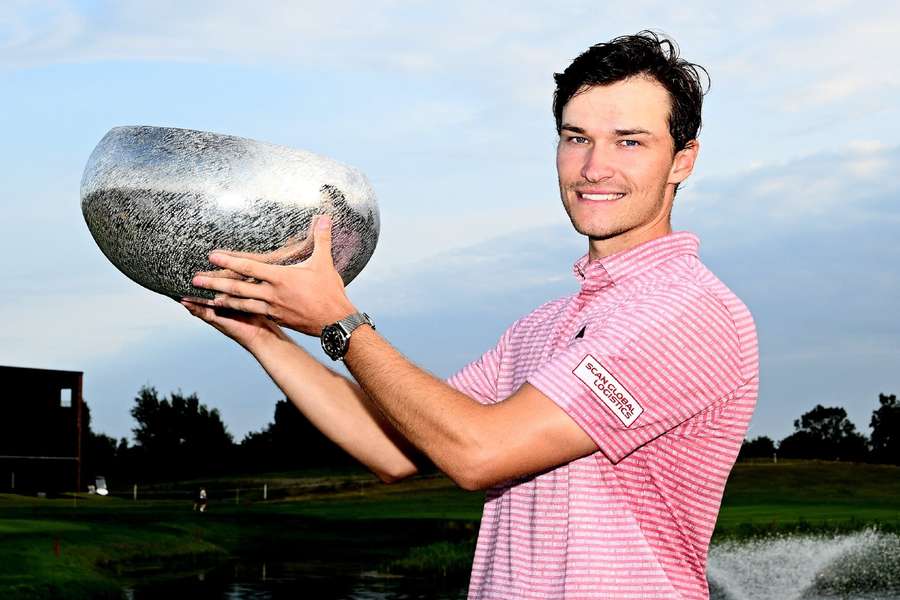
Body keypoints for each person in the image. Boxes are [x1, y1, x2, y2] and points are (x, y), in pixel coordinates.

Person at [182, 30, 758, 600]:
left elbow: (480, 454)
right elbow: (394, 449)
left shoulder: (688, 314)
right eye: (576, 137)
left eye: (629, 142)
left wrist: (339, 320)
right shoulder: (545, 324)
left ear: (683, 161)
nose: (593, 167)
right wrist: (265, 335)